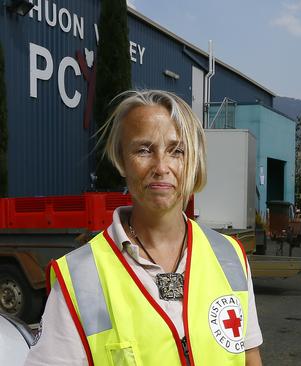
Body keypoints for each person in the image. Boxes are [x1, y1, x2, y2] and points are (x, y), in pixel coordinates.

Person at [24, 90, 263, 365]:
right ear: (122, 161)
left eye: (177, 150)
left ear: (194, 161)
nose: (161, 167)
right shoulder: (80, 277)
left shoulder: (230, 257)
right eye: (144, 150)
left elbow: (249, 356)